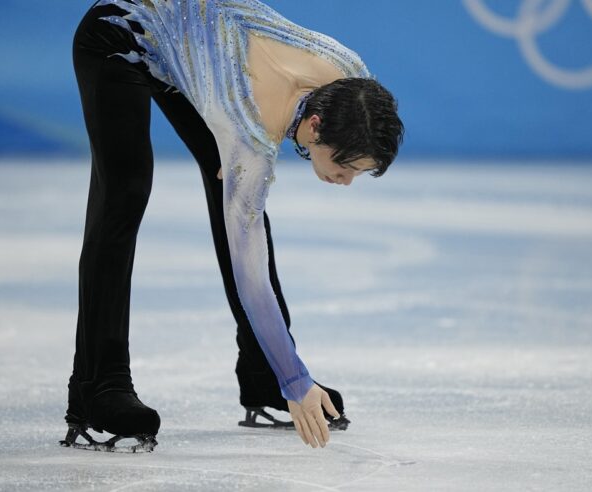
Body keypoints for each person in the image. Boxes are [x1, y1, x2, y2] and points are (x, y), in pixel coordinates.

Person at [60, 0, 404, 453]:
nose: (345, 182)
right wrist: (297, 379)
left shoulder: (353, 80)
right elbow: (252, 277)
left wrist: (285, 371)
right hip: (120, 31)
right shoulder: (249, 133)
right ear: (316, 125)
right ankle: (97, 388)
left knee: (246, 202)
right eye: (346, 168)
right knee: (125, 190)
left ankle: (263, 374)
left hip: (196, 47)